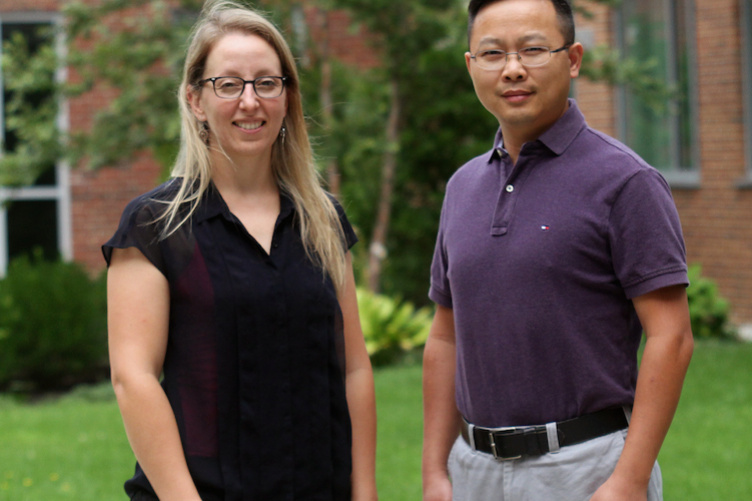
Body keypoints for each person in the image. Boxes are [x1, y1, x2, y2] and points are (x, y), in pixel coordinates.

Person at [103, 1, 377, 499]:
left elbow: (354, 367)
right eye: (228, 84)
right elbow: (133, 379)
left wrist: (365, 492)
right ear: (194, 99)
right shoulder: (156, 225)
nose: (250, 101)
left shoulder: (324, 219)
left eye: (267, 83)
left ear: (288, 97)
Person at [422, 0, 694, 499]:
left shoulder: (626, 181)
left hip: (586, 469)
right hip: (474, 471)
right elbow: (445, 338)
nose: (512, 69)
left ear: (572, 59)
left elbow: (671, 338)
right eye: (492, 53)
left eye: (533, 49)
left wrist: (629, 481)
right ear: (470, 65)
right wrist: (436, 471)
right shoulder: (462, 187)